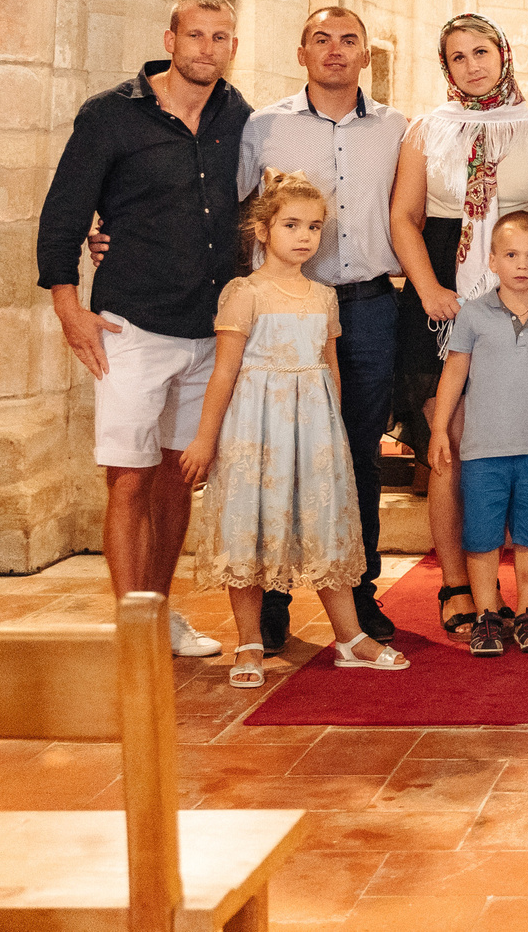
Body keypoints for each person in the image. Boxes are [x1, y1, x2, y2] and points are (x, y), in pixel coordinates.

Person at [36, 0, 250, 659]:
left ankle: (159, 613)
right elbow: (64, 216)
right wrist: (70, 308)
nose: (206, 49)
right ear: (170, 39)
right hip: (132, 325)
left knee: (174, 475)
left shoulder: (237, 115)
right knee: (128, 476)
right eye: (196, 35)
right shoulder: (111, 117)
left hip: (207, 326)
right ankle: (131, 630)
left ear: (232, 47)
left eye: (220, 37)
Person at [388, 14, 528, 645]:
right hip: (442, 298)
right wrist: (429, 290)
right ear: (446, 67)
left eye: (482, 51)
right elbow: (404, 217)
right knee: (451, 446)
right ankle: (457, 584)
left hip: (516, 296)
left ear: (504, 53)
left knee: (507, 439)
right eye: (458, 56)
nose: (473, 64)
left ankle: (509, 595)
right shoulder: (424, 132)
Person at [181, 170, 409, 684]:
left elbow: (330, 370)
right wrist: (204, 439)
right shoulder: (245, 292)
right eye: (291, 225)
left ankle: (350, 637)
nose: (304, 236)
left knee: (324, 527)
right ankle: (249, 642)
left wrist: (337, 438)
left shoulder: (323, 296)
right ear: (262, 230)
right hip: (255, 431)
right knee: (252, 532)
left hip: (314, 433)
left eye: (313, 227)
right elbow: (223, 371)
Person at [237, 6, 409, 654]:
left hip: (367, 305)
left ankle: (360, 587)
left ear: (366, 55)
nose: (335, 50)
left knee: (355, 449)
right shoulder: (265, 125)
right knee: (283, 449)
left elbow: (411, 211)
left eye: (348, 40)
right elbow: (236, 211)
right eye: (321, 39)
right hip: (285, 310)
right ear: (301, 51)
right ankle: (275, 594)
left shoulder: (396, 128)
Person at [429, 210, 528, 658]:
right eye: (511, 255)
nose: (522, 265)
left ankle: (527, 613)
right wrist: (439, 429)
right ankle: (488, 615)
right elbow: (454, 373)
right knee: (482, 536)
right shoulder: (473, 314)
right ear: (492, 260)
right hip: (482, 451)